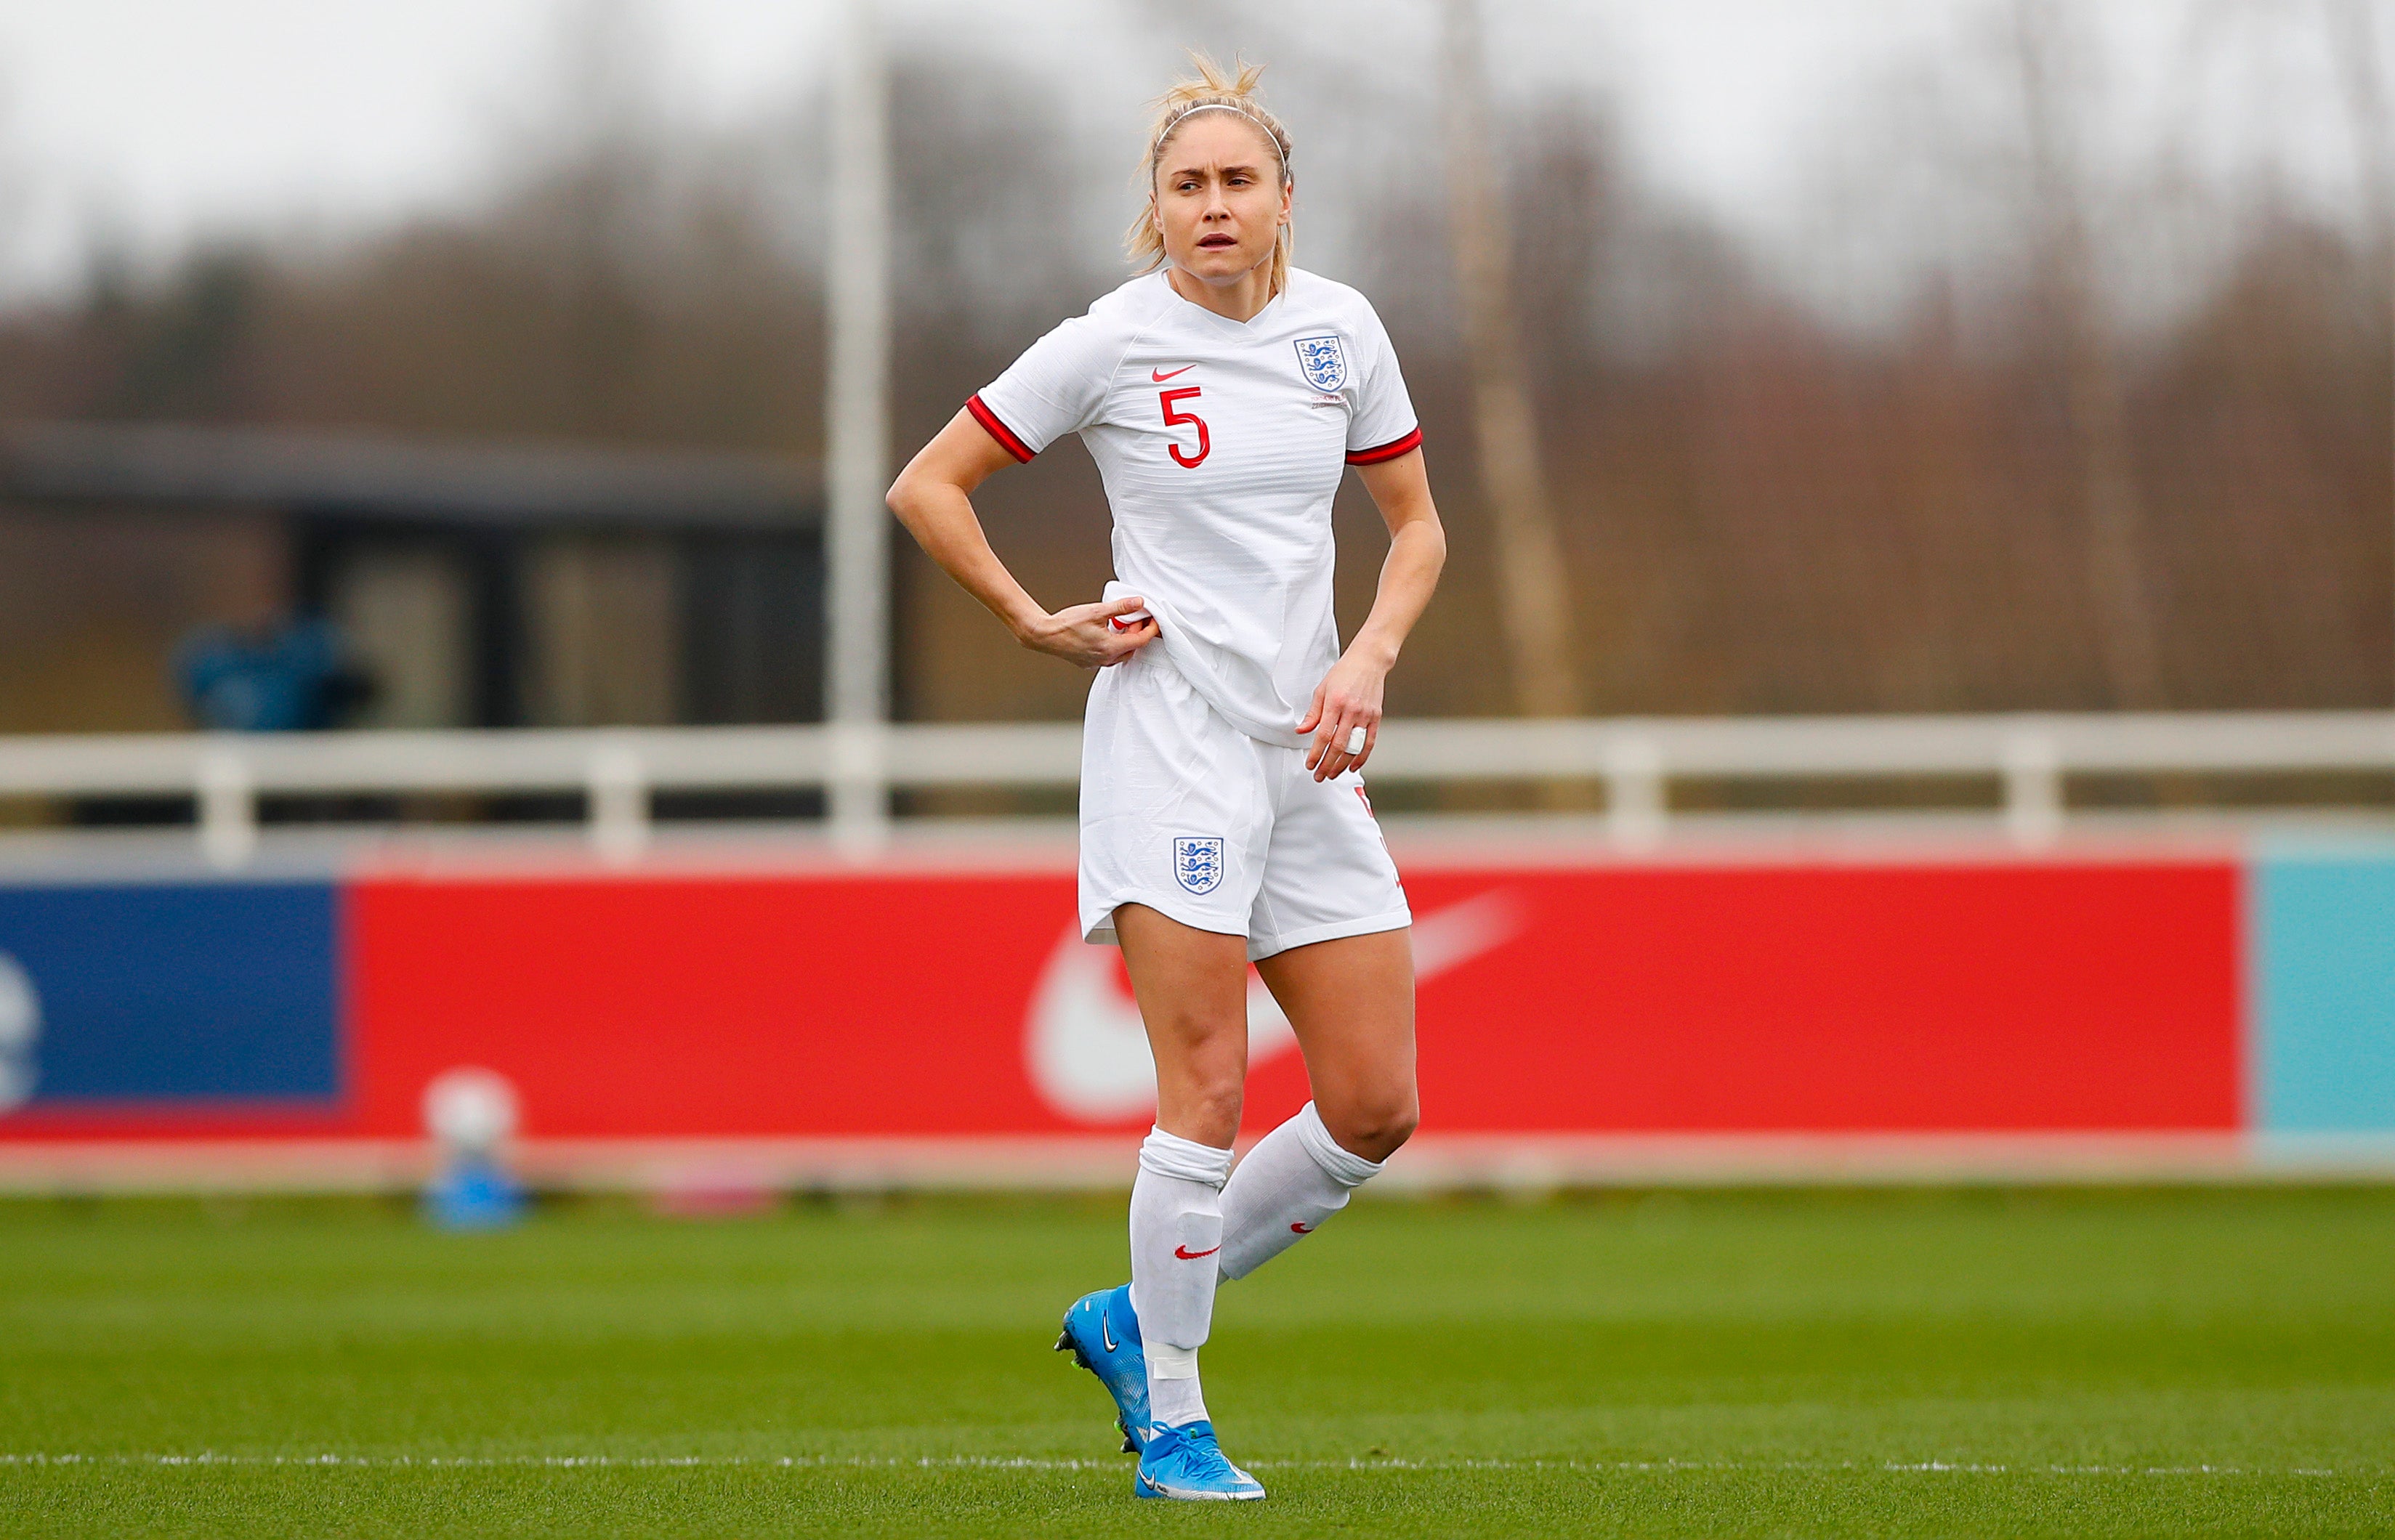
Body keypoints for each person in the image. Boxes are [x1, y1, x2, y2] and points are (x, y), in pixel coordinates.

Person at [885, 55, 1445, 1503]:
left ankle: (1134, 1314)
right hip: (1170, 746)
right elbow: (927, 483)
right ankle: (1175, 1421)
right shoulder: (1108, 344)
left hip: (1308, 754)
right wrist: (1029, 616)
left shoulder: (1342, 333)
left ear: (1281, 202)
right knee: (1203, 1090)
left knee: (1376, 1102)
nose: (1211, 204)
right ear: (1154, 211)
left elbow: (1417, 529)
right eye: (1185, 184)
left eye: (1235, 181)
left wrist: (1368, 655)